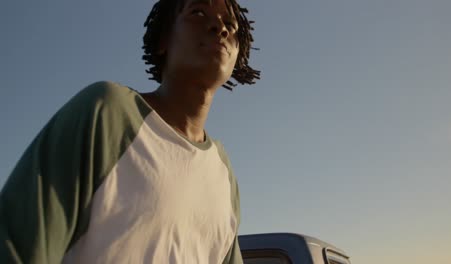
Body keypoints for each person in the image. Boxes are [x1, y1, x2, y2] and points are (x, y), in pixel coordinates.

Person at [0, 0, 260, 262]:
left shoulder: (223, 172)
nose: (220, 28)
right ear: (163, 40)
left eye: (231, 24)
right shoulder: (107, 113)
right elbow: (17, 245)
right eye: (198, 12)